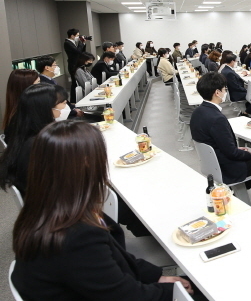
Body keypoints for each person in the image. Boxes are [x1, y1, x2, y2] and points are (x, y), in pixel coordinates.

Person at [11, 121, 197, 300]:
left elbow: (114, 258)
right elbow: (129, 296)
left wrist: (157, 277)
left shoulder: (45, 210)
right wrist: (170, 290)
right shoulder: (76, 236)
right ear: (86, 163)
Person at [190, 72, 251, 187]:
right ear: (217, 93)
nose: (225, 92)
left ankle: (234, 191)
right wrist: (247, 153)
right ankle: (235, 191)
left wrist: (236, 149)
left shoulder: (197, 112)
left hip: (212, 163)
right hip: (227, 168)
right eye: (224, 89)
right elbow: (232, 153)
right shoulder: (217, 118)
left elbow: (220, 145)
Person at [0, 84, 66, 197]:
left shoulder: (23, 133)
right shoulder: (39, 145)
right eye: (62, 103)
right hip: (52, 204)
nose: (64, 107)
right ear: (45, 108)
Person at [63, 28, 87, 102]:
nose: (79, 37)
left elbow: (82, 52)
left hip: (77, 64)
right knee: (75, 83)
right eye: (77, 35)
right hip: (73, 65)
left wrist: (83, 43)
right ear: (72, 36)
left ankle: (75, 99)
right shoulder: (67, 43)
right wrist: (81, 43)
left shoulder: (73, 42)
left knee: (76, 83)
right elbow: (77, 52)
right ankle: (73, 100)